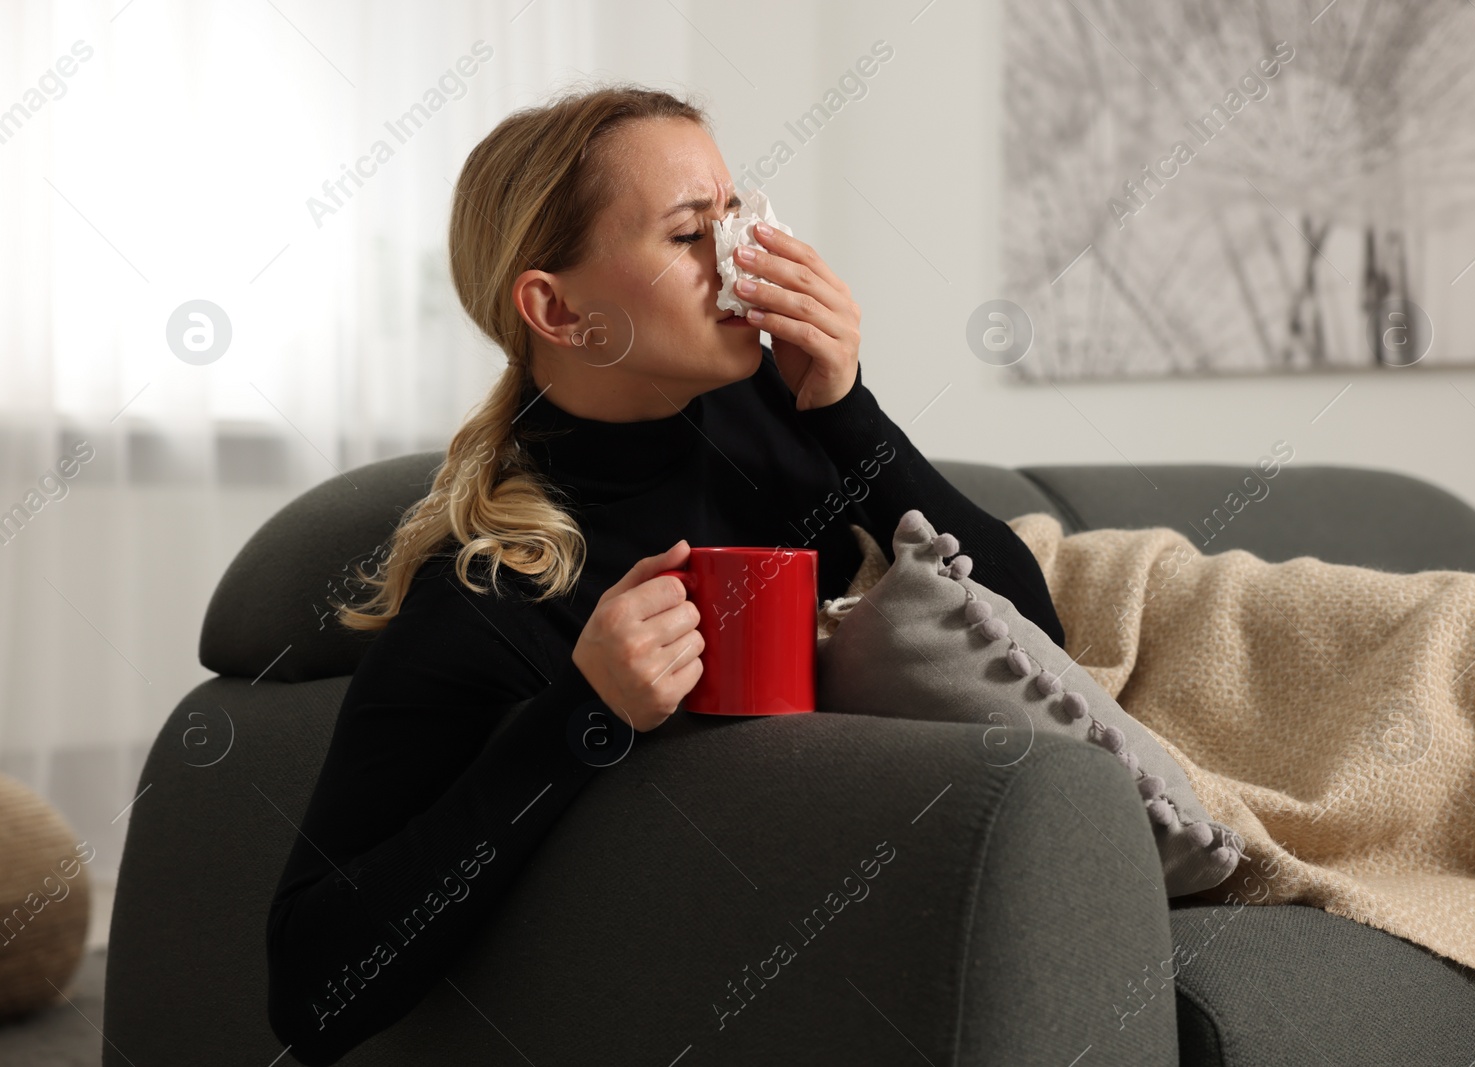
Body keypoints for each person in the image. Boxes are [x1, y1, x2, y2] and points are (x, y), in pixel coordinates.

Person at [264, 84, 1064, 1065]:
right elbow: (309, 987)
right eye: (691, 235)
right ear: (560, 309)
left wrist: (849, 411)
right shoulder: (493, 592)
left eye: (736, 216)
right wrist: (581, 713)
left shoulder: (770, 407)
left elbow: (1034, 638)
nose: (739, 259)